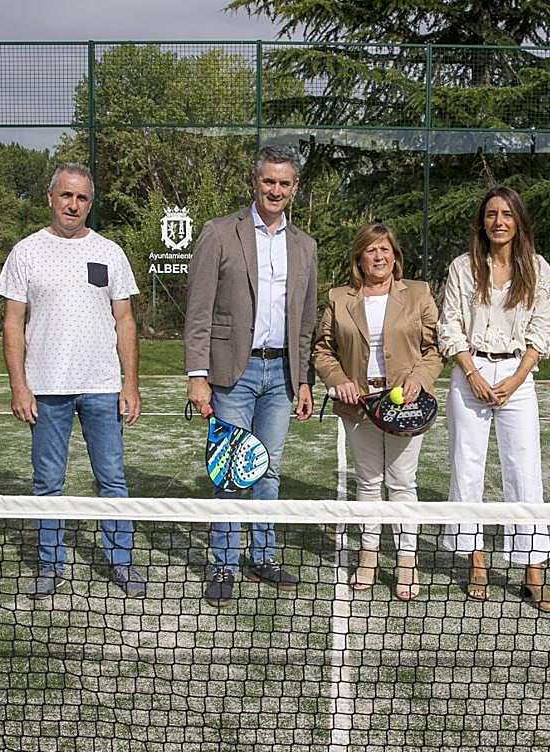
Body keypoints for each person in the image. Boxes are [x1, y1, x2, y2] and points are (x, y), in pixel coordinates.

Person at [0, 163, 145, 598]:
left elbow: (125, 320)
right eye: (66, 196)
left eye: (81, 198)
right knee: (47, 483)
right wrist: (19, 386)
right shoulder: (25, 252)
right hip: (45, 390)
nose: (73, 205)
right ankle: (49, 564)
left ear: (90, 204)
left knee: (113, 480)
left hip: (102, 387)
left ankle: (121, 563)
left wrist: (129, 384)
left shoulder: (111, 252)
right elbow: (12, 324)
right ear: (50, 198)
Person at [185, 146, 318, 607]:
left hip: (281, 375)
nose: (275, 190)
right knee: (230, 473)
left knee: (269, 472)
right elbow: (199, 311)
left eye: (284, 183)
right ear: (253, 182)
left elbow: (306, 323)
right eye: (268, 182)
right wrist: (197, 375)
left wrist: (303, 380)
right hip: (231, 374)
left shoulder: (306, 246)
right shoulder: (219, 233)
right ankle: (222, 562)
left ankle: (261, 556)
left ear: (294, 188)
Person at [438, 185, 550, 612]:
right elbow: (449, 325)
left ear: (519, 221)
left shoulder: (539, 269)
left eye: (507, 214)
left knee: (524, 472)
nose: (499, 221)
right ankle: (476, 563)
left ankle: (533, 572)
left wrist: (516, 376)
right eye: (491, 214)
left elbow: (544, 327)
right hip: (468, 373)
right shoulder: (462, 267)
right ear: (482, 222)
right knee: (467, 468)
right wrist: (471, 371)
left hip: (518, 377)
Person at [312, 222, 443, 601]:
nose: (379, 256)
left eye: (385, 249)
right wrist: (339, 380)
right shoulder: (339, 298)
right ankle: (368, 557)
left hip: (406, 406)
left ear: (395, 256)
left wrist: (419, 377)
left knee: (402, 484)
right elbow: (323, 350)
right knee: (368, 483)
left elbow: (435, 349)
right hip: (360, 408)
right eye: (371, 250)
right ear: (360, 257)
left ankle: (406, 562)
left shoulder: (418, 294)